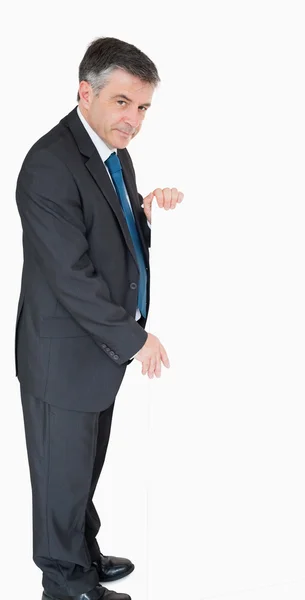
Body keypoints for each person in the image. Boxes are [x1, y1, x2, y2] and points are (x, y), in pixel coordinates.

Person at [14, 36, 184, 600]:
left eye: (143, 108)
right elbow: (70, 274)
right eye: (122, 103)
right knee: (60, 477)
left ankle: (83, 553)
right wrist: (135, 337)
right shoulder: (47, 164)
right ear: (86, 92)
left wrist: (143, 210)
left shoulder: (114, 153)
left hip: (95, 353)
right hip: (62, 353)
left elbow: (107, 229)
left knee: (82, 469)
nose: (133, 120)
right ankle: (65, 583)